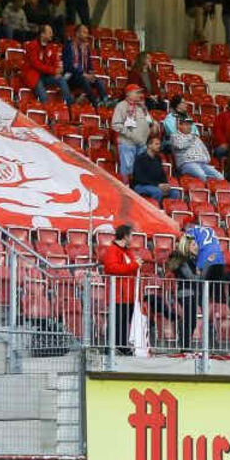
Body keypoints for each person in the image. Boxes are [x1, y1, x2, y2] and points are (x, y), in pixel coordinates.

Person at [99, 225, 140, 358]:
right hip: (117, 294)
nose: (132, 238)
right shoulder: (112, 250)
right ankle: (113, 347)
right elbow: (112, 268)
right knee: (117, 321)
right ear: (125, 236)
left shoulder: (127, 251)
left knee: (125, 321)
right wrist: (134, 265)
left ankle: (122, 346)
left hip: (127, 294)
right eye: (131, 235)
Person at [111, 86, 154, 182]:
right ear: (128, 94)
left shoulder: (141, 107)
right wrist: (130, 134)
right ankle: (126, 191)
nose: (140, 95)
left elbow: (149, 121)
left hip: (142, 144)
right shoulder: (121, 106)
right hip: (127, 143)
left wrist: (146, 112)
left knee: (140, 171)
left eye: (140, 93)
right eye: (137, 92)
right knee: (128, 170)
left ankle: (135, 191)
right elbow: (115, 125)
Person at [130, 136, 169, 201]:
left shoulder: (158, 158)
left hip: (155, 186)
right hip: (141, 185)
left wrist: (165, 184)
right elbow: (139, 178)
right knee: (157, 192)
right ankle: (155, 210)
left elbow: (162, 174)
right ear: (149, 145)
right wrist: (157, 185)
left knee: (175, 193)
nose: (159, 146)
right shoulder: (140, 159)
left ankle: (167, 210)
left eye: (159, 144)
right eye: (156, 144)